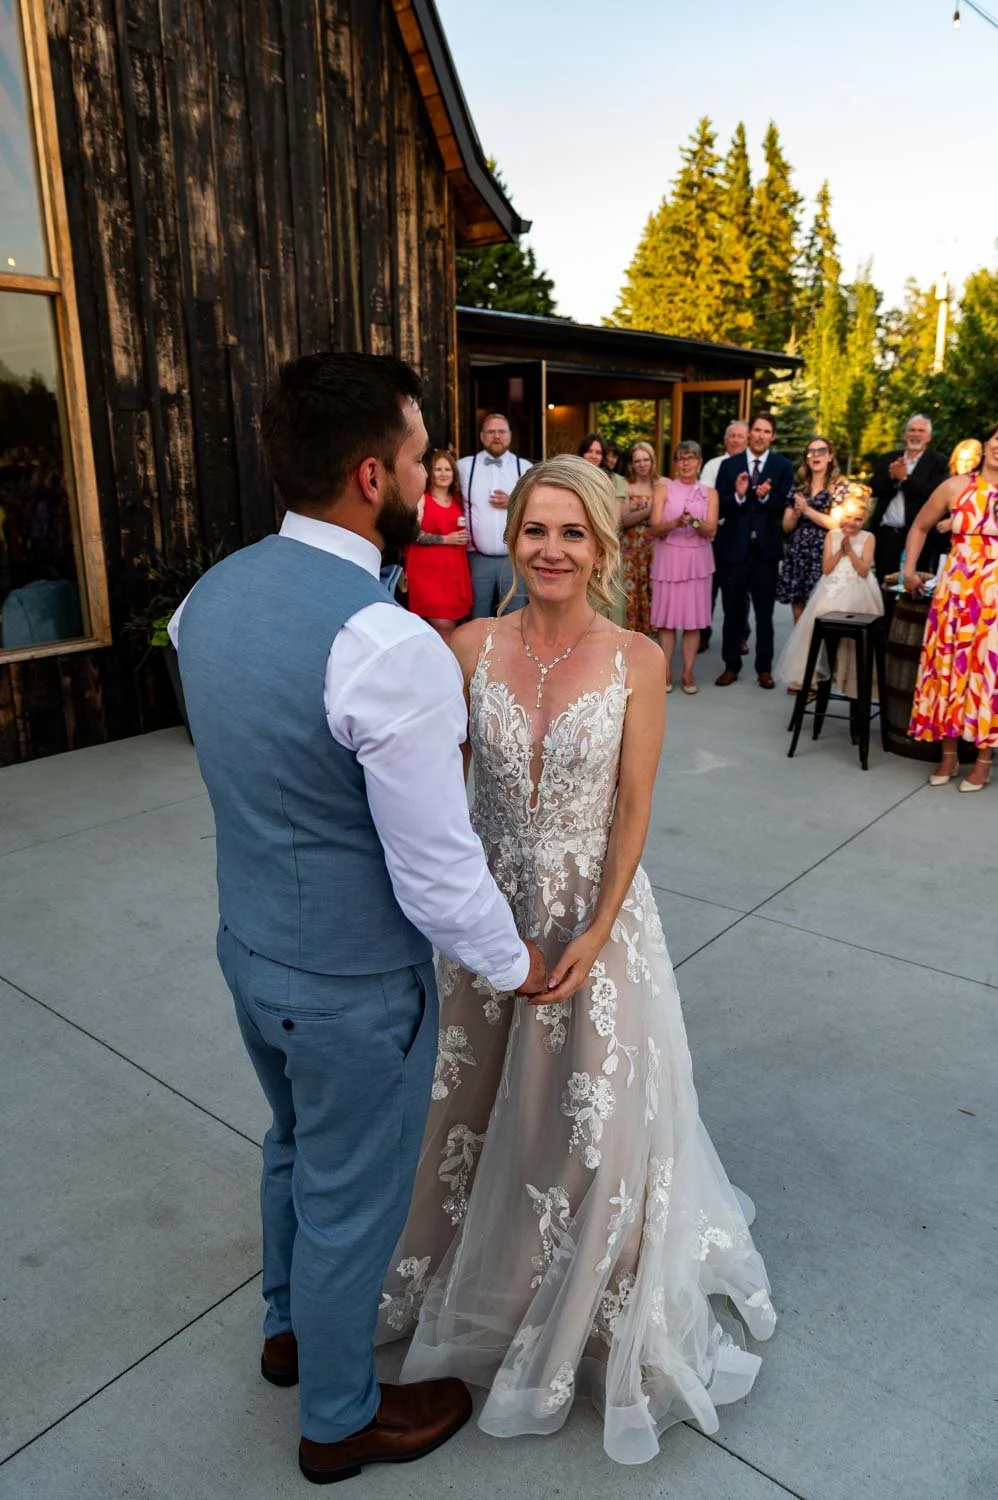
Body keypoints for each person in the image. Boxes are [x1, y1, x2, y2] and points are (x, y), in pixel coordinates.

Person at [169, 353, 549, 1486]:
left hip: (247, 945)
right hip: (346, 982)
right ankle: (337, 1419)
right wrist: (515, 961)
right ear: (371, 475)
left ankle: (289, 1329)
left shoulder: (207, 598)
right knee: (349, 1194)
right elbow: (433, 871)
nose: (435, 477)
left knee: (293, 1143)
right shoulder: (385, 644)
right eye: (424, 458)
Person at [376, 454, 775, 1464]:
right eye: (534, 531)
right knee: (473, 1106)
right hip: (487, 917)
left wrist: (595, 932)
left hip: (592, 915)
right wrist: (461, 916)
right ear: (509, 540)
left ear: (601, 548)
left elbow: (633, 807)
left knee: (588, 1123)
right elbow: (439, 797)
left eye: (571, 533)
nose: (550, 550)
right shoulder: (467, 646)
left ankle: (582, 1300)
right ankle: (478, 1274)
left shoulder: (635, 658)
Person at [905, 423, 998, 792]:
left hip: (995, 595)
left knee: (988, 673)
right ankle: (948, 755)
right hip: (956, 591)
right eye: (997, 439)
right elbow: (919, 527)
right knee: (949, 667)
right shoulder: (955, 486)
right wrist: (910, 570)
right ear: (986, 443)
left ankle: (984, 760)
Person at [714, 412, 795, 689]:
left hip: (765, 553)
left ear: (773, 436)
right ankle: (731, 666)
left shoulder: (783, 466)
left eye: (766, 431)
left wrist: (767, 496)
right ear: (749, 433)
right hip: (734, 551)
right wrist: (739, 495)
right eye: (757, 430)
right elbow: (719, 506)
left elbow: (785, 505)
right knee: (732, 613)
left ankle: (764, 669)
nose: (760, 436)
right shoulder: (730, 465)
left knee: (764, 615)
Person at [776, 493, 882, 697]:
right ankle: (810, 676)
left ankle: (850, 680)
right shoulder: (832, 535)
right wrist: (841, 551)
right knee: (815, 622)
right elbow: (826, 568)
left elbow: (863, 570)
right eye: (849, 517)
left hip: (858, 588)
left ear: (864, 520)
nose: (852, 522)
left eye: (858, 519)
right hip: (832, 586)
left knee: (854, 629)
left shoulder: (868, 538)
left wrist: (850, 551)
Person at [649, 440, 718, 693]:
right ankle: (666, 670)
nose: (686, 463)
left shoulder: (710, 493)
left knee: (693, 621)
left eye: (691, 458)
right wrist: (676, 522)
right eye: (681, 458)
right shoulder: (662, 489)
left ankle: (688, 673)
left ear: (699, 463)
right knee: (666, 620)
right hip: (669, 560)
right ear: (676, 463)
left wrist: (695, 522)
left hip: (697, 562)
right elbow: (655, 527)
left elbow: (712, 529)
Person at [457, 413, 533, 618]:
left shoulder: (525, 468)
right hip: (476, 559)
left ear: (510, 435)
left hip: (514, 559)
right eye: (491, 432)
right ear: (482, 436)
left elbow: (539, 507)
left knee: (515, 616)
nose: (496, 436)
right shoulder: (464, 467)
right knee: (478, 617)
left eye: (501, 431)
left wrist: (513, 502)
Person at [777, 436, 850, 633]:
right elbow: (786, 526)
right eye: (811, 452)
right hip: (799, 552)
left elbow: (836, 523)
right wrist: (796, 514)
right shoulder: (798, 487)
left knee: (821, 609)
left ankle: (817, 650)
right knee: (798, 606)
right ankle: (800, 649)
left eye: (821, 451)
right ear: (806, 458)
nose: (816, 455)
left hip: (824, 553)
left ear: (830, 456)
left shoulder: (839, 486)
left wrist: (807, 510)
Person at [869, 414, 950, 582]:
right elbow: (874, 489)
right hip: (886, 535)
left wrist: (905, 479)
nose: (915, 434)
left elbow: (933, 494)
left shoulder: (938, 462)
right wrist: (892, 477)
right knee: (884, 582)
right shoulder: (888, 458)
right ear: (905, 435)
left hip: (918, 537)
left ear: (928, 437)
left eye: (921, 431)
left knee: (914, 583)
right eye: (912, 430)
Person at [405, 449, 472, 643]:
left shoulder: (458, 501)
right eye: (438, 469)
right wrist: (445, 539)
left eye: (447, 469)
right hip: (428, 573)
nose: (443, 474)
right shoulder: (422, 499)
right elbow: (413, 534)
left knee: (452, 624)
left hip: (454, 572)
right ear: (430, 473)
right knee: (443, 624)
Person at [698, 421, 748, 652]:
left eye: (740, 436)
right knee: (708, 589)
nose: (735, 440)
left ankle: (740, 636)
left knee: (739, 592)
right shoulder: (713, 465)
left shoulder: (752, 466)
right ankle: (702, 634)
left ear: (747, 440)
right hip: (714, 538)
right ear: (726, 440)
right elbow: (706, 499)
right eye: (732, 436)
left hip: (741, 539)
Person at [618, 440, 656, 635]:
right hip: (631, 552)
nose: (642, 464)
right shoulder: (626, 485)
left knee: (653, 595)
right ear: (631, 464)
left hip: (655, 552)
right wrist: (651, 510)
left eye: (646, 459)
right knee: (631, 597)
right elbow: (624, 520)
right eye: (637, 461)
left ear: (652, 460)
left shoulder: (662, 484)